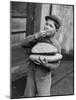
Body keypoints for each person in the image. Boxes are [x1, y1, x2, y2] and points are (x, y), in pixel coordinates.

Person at [21, 15, 62, 97]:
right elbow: (24, 44)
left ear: (56, 30)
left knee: (43, 95)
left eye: (50, 26)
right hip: (31, 72)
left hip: (44, 76)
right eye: (46, 24)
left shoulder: (56, 44)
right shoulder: (37, 38)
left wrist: (46, 64)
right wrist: (36, 36)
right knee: (28, 94)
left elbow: (57, 63)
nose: (47, 27)